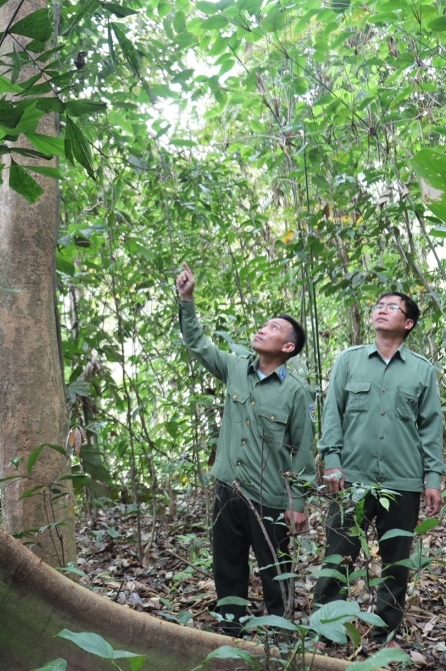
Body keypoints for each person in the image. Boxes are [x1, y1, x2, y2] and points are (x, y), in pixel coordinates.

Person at [175, 262, 314, 635]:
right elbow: (198, 344)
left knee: (275, 570)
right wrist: (186, 300)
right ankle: (231, 632)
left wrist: (297, 504)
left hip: (268, 498)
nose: (261, 329)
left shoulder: (296, 391)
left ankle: (282, 636)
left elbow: (302, 450)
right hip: (227, 490)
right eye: (263, 324)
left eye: (272, 328)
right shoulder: (235, 368)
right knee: (227, 566)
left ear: (287, 347)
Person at [314, 292, 444, 648]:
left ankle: (385, 634)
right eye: (378, 305)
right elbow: (332, 415)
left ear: (408, 323)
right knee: (339, 553)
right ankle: (327, 628)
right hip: (350, 478)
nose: (381, 310)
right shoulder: (349, 361)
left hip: (402, 481)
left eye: (392, 307)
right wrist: (332, 462)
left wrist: (433, 478)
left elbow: (431, 427)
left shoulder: (422, 370)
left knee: (396, 562)